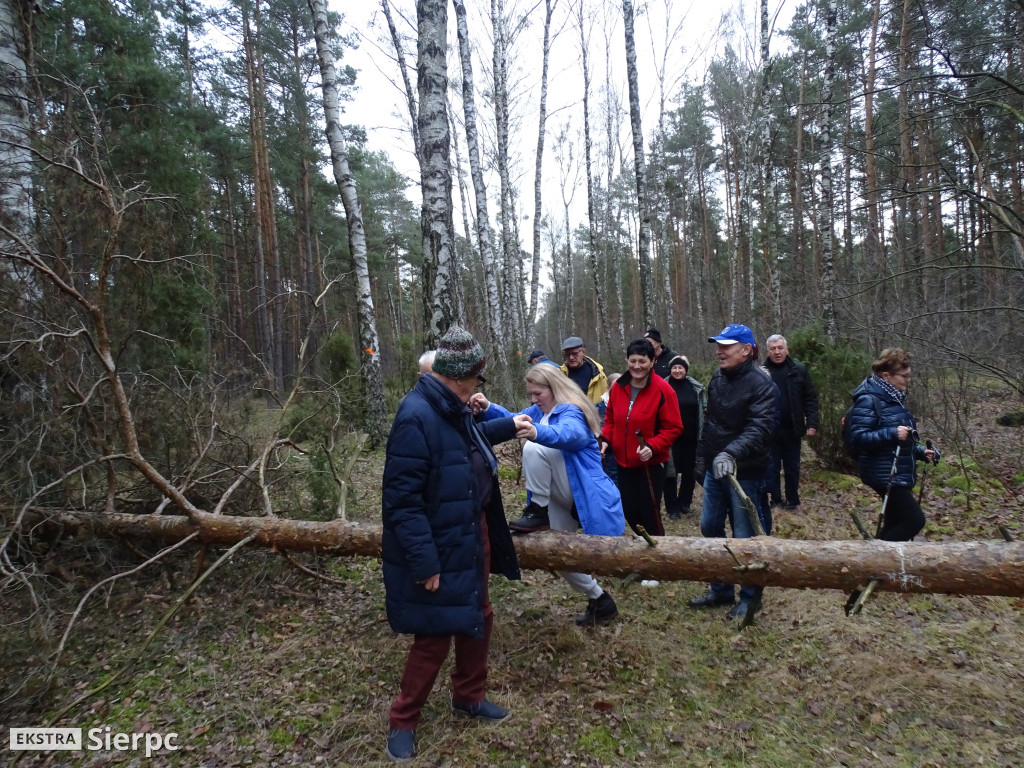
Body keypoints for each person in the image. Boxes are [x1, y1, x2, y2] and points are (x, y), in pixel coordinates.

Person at [381, 326, 533, 762]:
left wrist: (507, 425)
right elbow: (402, 503)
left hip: (471, 529)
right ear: (462, 376)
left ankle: (469, 696)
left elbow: (467, 444)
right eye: (478, 380)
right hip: (439, 541)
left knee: (479, 614)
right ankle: (403, 720)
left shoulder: (452, 407)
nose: (477, 390)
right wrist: (425, 563)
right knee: (435, 632)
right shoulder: (417, 416)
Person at [474, 364, 625, 625]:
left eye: (537, 394)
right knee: (561, 556)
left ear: (553, 388)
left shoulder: (571, 410)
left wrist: (536, 433)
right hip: (560, 495)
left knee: (533, 446)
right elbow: (516, 419)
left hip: (583, 494)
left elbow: (570, 435)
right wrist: (488, 407)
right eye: (531, 394)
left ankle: (536, 510)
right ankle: (600, 600)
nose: (533, 400)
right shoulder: (539, 411)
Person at [688, 324, 776, 620]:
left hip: (746, 473)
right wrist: (702, 458)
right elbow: (710, 423)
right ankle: (721, 588)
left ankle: (750, 598)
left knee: (746, 536)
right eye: (718, 345)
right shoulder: (717, 378)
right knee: (709, 525)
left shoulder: (762, 385)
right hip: (715, 468)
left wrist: (730, 452)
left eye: (726, 345)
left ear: (746, 350)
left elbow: (760, 429)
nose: (719, 350)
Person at [845, 347, 939, 542]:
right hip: (882, 473)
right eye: (904, 376)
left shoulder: (894, 398)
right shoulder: (869, 400)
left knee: (895, 521)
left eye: (909, 375)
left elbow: (902, 442)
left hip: (895, 470)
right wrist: (891, 433)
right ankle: (878, 566)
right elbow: (859, 438)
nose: (908, 380)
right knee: (914, 520)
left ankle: (877, 567)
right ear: (886, 376)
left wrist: (922, 452)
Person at [600, 338, 683, 538]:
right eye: (632, 361)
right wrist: (605, 439)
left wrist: (653, 446)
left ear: (652, 361)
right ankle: (643, 550)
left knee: (650, 514)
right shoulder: (619, 387)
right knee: (629, 510)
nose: (636, 366)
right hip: (623, 461)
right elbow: (611, 419)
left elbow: (674, 427)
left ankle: (658, 555)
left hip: (650, 464)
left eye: (642, 361)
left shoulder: (664, 390)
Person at [763, 334, 820, 509]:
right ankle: (775, 499)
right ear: (768, 351)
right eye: (773, 349)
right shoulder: (762, 371)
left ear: (787, 349)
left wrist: (812, 423)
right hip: (769, 429)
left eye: (780, 348)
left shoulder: (798, 370)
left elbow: (810, 398)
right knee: (771, 467)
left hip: (793, 427)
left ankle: (793, 500)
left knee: (792, 468)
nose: (777, 352)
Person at [663, 355, 705, 518]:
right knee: (670, 474)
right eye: (674, 367)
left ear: (686, 370)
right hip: (670, 439)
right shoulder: (663, 386)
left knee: (689, 473)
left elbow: (703, 408)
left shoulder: (695, 387)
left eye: (680, 368)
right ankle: (672, 508)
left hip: (692, 438)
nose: (677, 370)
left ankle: (684, 503)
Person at [559, 336, 608, 403]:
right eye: (567, 354)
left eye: (574, 353)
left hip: (592, 412)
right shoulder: (559, 374)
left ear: (583, 352)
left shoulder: (598, 374)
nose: (571, 357)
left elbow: (606, 400)